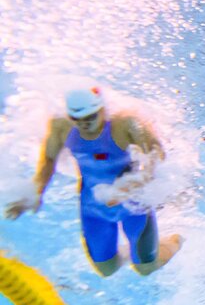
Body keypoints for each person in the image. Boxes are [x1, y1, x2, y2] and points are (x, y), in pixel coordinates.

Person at [4, 87, 182, 277]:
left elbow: (155, 154)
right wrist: (35, 192)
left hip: (133, 205)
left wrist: (133, 183)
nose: (84, 125)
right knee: (107, 270)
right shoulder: (61, 127)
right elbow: (48, 159)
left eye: (90, 117)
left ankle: (176, 239)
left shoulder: (124, 123)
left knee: (145, 268)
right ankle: (131, 252)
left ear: (102, 110)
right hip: (94, 209)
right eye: (77, 120)